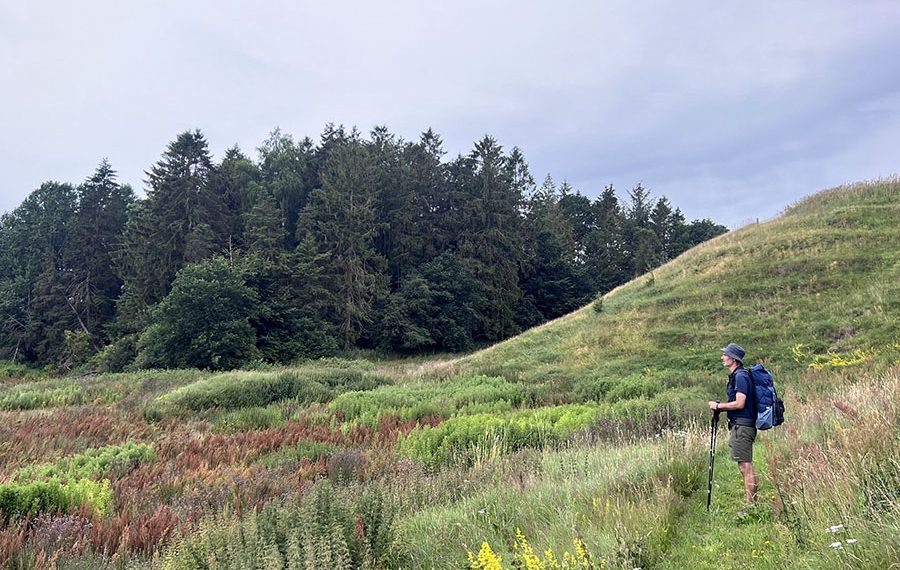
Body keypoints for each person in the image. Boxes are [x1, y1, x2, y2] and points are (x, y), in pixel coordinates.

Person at [708, 342, 758, 506]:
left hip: (742, 426)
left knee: (745, 466)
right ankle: (752, 504)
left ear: (733, 359)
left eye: (725, 355)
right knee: (745, 465)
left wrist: (718, 406)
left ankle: (752, 506)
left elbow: (739, 403)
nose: (722, 357)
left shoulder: (740, 377)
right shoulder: (739, 376)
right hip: (742, 425)